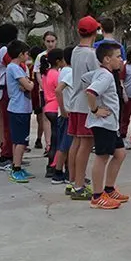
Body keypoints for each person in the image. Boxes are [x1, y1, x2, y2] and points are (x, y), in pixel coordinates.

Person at [85, 43, 129, 209]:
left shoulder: (102, 73)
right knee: (102, 157)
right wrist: (95, 109)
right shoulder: (106, 76)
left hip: (111, 124)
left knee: (120, 153)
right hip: (103, 123)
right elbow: (90, 92)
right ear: (107, 59)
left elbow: (84, 79)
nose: (121, 60)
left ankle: (109, 189)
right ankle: (97, 196)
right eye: (118, 56)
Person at [68, 16, 102, 200]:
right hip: (86, 105)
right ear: (94, 32)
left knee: (76, 143)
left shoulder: (75, 51)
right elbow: (98, 77)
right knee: (86, 145)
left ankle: (73, 180)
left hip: (75, 103)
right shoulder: (91, 54)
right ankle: (79, 186)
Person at [0, 24, 20, 170]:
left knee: (4, 122)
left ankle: (11, 154)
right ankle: (6, 156)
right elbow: (15, 64)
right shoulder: (4, 50)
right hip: (3, 88)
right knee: (8, 123)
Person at [5, 40, 35, 183]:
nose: (27, 56)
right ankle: (16, 168)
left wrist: (28, 83)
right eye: (26, 53)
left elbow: (26, 84)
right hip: (19, 108)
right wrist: (30, 83)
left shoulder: (18, 68)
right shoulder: (15, 68)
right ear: (20, 54)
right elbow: (28, 86)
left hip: (21, 108)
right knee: (21, 141)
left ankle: (16, 165)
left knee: (19, 140)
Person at [52, 47, 74, 186]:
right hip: (68, 114)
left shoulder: (64, 71)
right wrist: (63, 109)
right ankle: (60, 173)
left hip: (66, 113)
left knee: (65, 145)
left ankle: (64, 172)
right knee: (66, 146)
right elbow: (58, 90)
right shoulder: (70, 72)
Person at [40, 48, 63, 178]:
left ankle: (50, 165)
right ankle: (54, 165)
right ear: (58, 61)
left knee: (54, 140)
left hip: (48, 107)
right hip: (56, 108)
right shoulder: (56, 74)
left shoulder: (46, 73)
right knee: (58, 140)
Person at [33, 31, 58, 153]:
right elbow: (37, 72)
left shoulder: (59, 55)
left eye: (52, 41)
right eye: (48, 41)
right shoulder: (40, 56)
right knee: (45, 116)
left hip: (57, 91)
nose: (50, 44)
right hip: (44, 91)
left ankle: (56, 142)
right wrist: (42, 85)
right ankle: (48, 144)